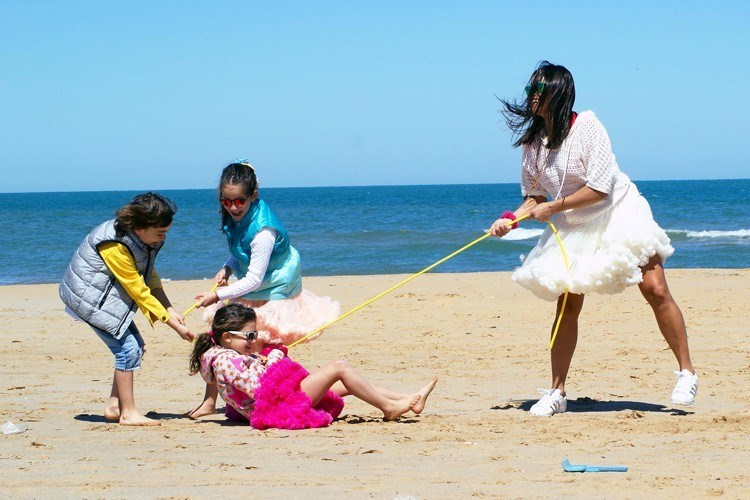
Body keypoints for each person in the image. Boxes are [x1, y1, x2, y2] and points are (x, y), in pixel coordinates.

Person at [489, 61, 698, 417]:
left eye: (537, 91)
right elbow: (535, 196)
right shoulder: (532, 144)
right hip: (576, 223)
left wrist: (553, 206)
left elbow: (600, 188)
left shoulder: (588, 125)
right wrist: (511, 218)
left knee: (655, 288)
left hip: (618, 209)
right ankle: (556, 392)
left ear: (556, 93)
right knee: (567, 303)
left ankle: (687, 373)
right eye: (529, 91)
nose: (531, 98)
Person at [187, 160, 341, 419]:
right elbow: (240, 250)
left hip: (273, 288)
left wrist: (216, 295)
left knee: (261, 346)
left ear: (253, 195)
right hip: (253, 283)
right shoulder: (236, 216)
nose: (233, 207)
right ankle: (210, 401)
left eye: (239, 201)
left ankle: (283, 396)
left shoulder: (264, 230)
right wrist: (227, 267)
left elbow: (254, 279)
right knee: (220, 336)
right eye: (226, 201)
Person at [60, 192, 194, 426]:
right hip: (89, 299)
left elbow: (150, 276)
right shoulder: (115, 244)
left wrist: (169, 309)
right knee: (128, 350)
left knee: (135, 347)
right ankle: (128, 413)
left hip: (107, 296)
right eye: (160, 233)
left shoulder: (144, 240)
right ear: (141, 228)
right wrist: (173, 325)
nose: (164, 238)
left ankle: (114, 405)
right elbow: (138, 290)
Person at [189, 303, 438, 429]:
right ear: (227, 337)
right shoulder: (224, 360)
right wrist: (273, 358)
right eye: (250, 337)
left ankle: (410, 400)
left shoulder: (220, 354)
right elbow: (258, 389)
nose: (254, 342)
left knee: (344, 384)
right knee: (338, 367)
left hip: (274, 401)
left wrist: (262, 357)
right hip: (276, 407)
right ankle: (389, 408)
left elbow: (248, 379)